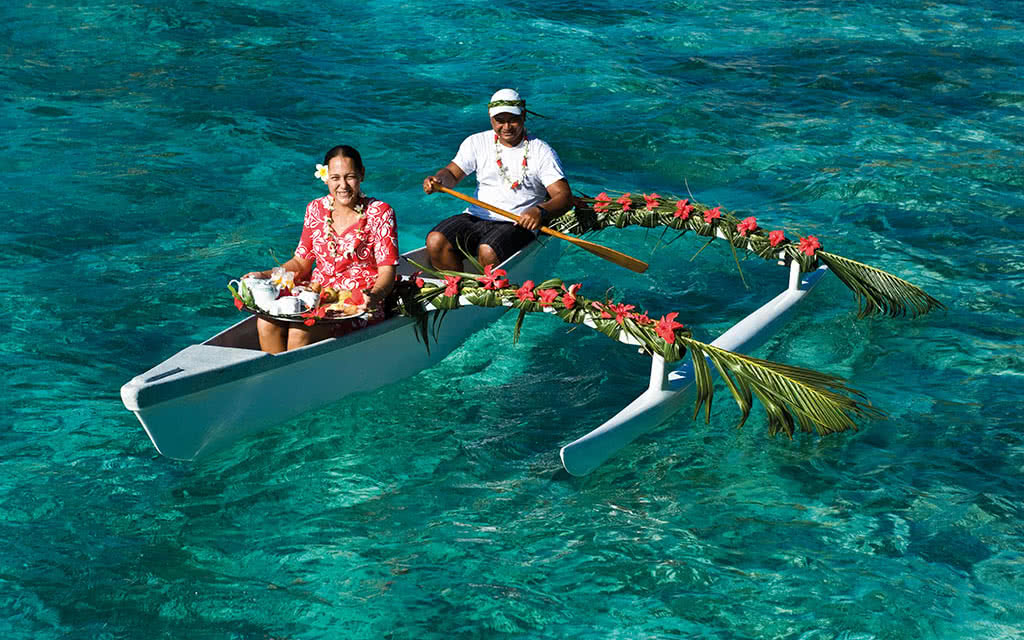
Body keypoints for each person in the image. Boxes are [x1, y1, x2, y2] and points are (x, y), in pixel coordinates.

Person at [241, 145, 398, 354]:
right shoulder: (315, 209)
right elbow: (300, 263)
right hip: (315, 296)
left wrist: (374, 296)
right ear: (325, 177)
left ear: (362, 175)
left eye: (350, 177)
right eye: (335, 178)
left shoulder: (380, 212)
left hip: (358, 303)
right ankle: (280, 382)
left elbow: (387, 272)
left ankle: (295, 382)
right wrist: (263, 275)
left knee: (299, 332)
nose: (343, 185)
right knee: (266, 323)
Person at [422, 88, 572, 270]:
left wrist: (540, 211)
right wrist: (438, 180)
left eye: (513, 120)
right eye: (500, 121)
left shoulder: (542, 151)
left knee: (488, 251)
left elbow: (563, 196)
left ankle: (490, 290)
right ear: (490, 118)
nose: (506, 127)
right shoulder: (476, 142)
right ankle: (456, 289)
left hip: (517, 222)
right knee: (435, 240)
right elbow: (451, 174)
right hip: (476, 216)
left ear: (523, 116)